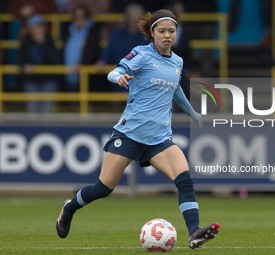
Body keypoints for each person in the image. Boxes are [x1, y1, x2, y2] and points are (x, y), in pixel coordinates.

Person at [56, 9, 220, 249]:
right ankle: (69, 208)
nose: (167, 36)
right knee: (103, 188)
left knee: (184, 180)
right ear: (152, 33)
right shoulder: (141, 55)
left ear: (176, 33)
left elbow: (176, 90)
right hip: (130, 133)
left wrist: (193, 113)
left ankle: (194, 231)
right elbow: (116, 71)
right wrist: (119, 78)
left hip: (159, 139)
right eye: (162, 31)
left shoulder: (177, 61)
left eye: (171, 31)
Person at [18, 14, 59, 113]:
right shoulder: (26, 42)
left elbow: (55, 59)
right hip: (32, 81)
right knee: (33, 111)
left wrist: (42, 43)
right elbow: (20, 60)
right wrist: (25, 66)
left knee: (47, 111)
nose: (39, 28)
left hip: (48, 80)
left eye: (41, 25)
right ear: (30, 28)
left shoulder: (50, 40)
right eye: (36, 26)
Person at [63, 3, 100, 91]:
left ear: (86, 18)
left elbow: (92, 51)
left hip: (86, 75)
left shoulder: (92, 32)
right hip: (68, 75)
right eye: (76, 17)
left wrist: (82, 63)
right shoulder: (68, 32)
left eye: (82, 16)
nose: (79, 19)